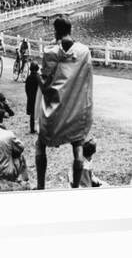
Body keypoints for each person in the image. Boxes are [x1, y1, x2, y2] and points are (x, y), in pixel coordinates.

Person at [34, 16, 93, 189]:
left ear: (56, 31)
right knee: (77, 148)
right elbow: (86, 82)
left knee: (40, 144)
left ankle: (41, 186)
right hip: (76, 112)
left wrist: (35, 74)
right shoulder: (84, 52)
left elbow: (45, 88)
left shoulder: (50, 52)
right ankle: (75, 187)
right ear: (70, 29)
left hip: (54, 113)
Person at [25, 62, 41, 133]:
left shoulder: (28, 77)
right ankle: (38, 127)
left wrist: (28, 95)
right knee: (38, 113)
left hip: (30, 97)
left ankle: (32, 128)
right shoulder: (38, 77)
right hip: (37, 97)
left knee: (32, 113)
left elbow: (26, 88)